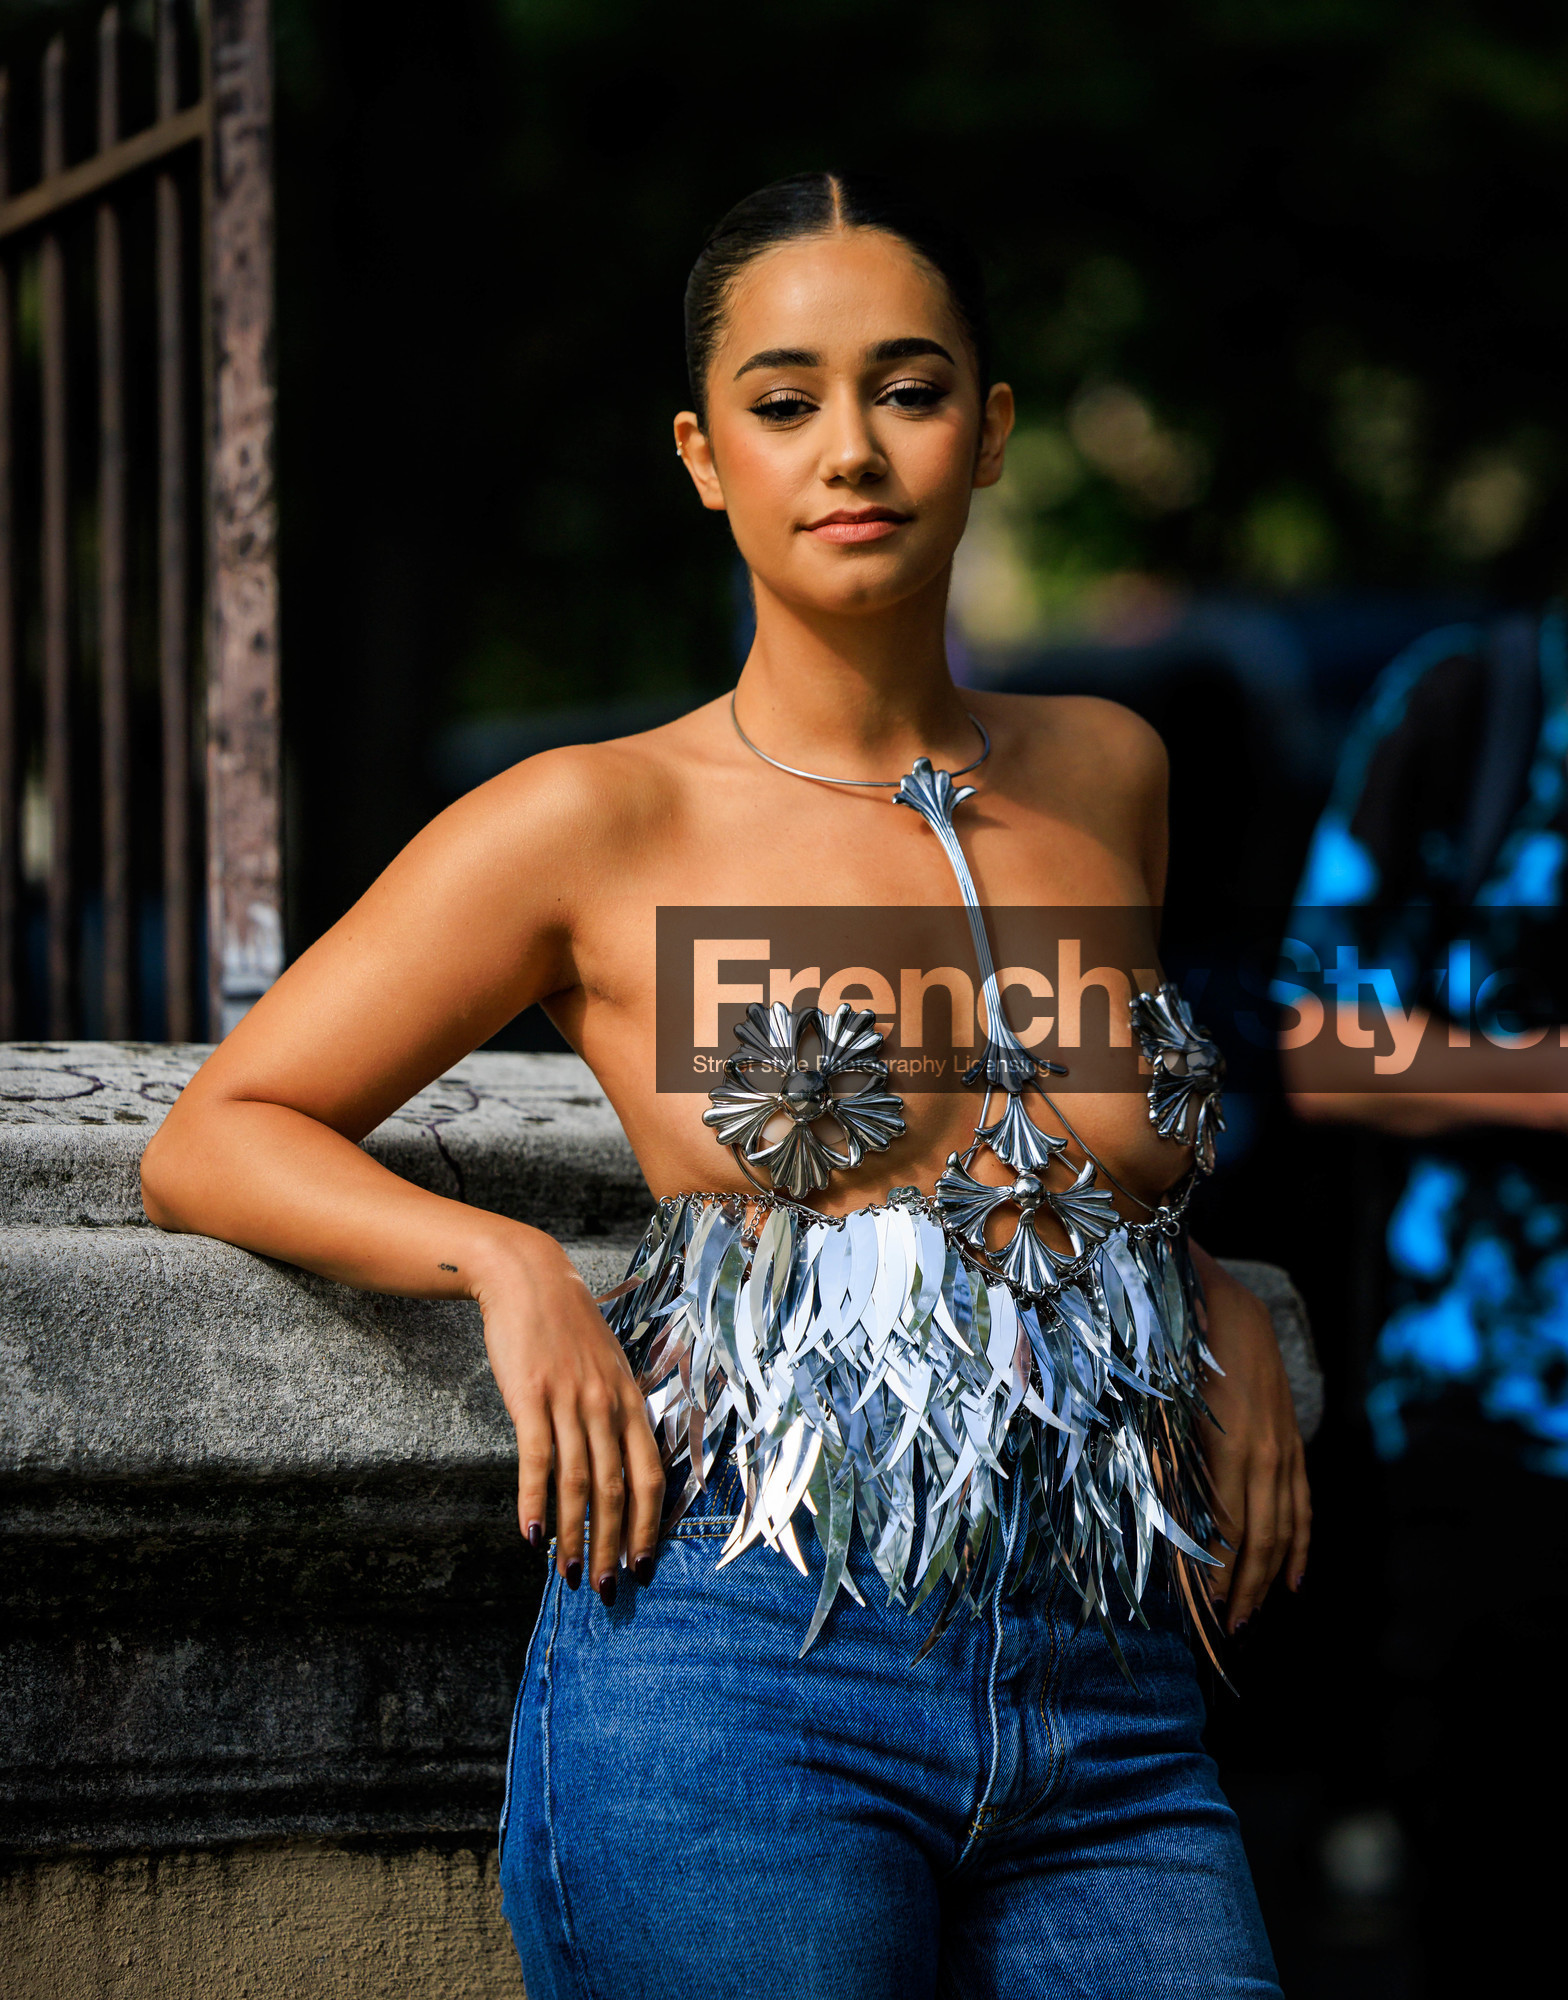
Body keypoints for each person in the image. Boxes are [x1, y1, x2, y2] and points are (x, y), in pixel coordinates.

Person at [141, 172, 1306, 1999]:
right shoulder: (595, 818)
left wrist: (1200, 1282)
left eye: (910, 391)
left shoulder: (1109, 771)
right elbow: (219, 1134)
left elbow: (1041, 1142)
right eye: (784, 402)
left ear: (993, 429)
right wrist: (507, 1266)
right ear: (703, 455)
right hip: (742, 1679)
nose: (852, 449)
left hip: (1114, 1696)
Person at [1283, 519, 1568, 1996]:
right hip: (1498, 1437)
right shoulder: (1469, 711)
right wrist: (1566, 1085)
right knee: (1506, 1904)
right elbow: (1317, 1042)